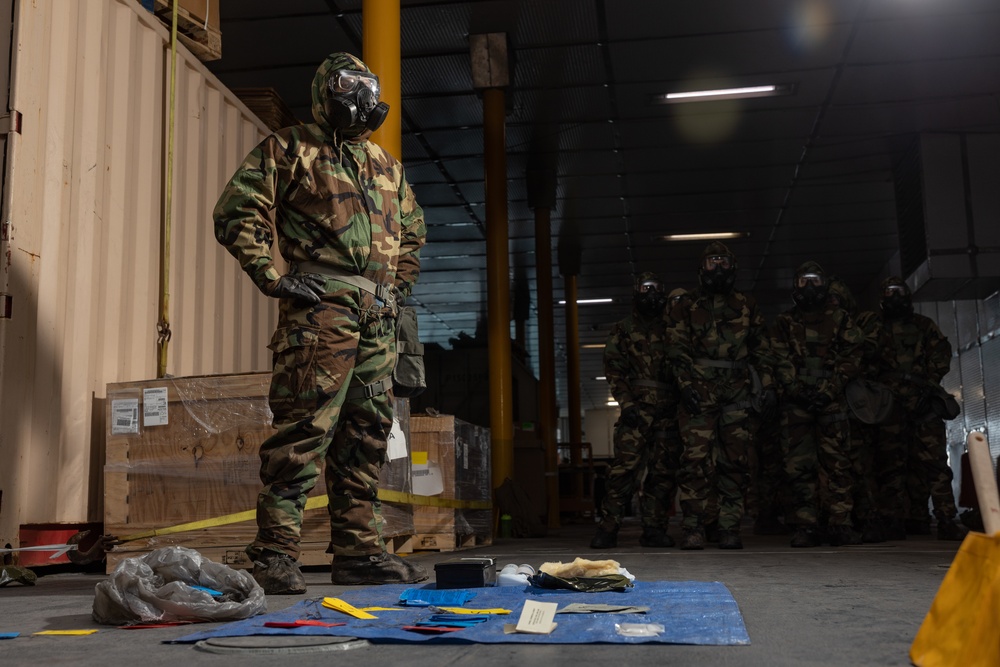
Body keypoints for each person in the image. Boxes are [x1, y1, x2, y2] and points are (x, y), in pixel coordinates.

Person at [214, 52, 428, 594]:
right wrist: (272, 276)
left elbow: (413, 235)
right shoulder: (290, 148)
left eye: (365, 89)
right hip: (321, 317)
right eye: (347, 88)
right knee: (303, 433)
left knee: (366, 437)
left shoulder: (387, 166)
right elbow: (237, 210)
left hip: (377, 322)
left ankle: (359, 553)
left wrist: (396, 291)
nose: (359, 100)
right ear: (324, 93)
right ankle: (274, 556)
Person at [665, 242, 778, 550]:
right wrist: (684, 384)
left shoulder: (746, 304)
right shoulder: (686, 305)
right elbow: (676, 349)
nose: (718, 268)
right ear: (702, 268)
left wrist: (767, 386)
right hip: (698, 395)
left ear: (734, 267)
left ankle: (729, 527)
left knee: (735, 463)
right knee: (695, 463)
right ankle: (693, 528)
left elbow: (762, 350)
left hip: (737, 394)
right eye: (712, 262)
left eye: (724, 262)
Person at [771, 263, 864, 547]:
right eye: (803, 282)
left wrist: (830, 389)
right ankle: (806, 525)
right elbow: (777, 357)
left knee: (837, 463)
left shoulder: (841, 320)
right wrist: (796, 390)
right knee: (799, 467)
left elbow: (853, 355)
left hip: (831, 401)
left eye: (815, 281)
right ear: (795, 286)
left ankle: (840, 524)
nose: (809, 288)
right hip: (796, 403)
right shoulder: (785, 322)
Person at [872, 277, 967, 541]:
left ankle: (946, 518)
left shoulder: (924, 326)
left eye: (899, 292)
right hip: (889, 406)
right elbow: (865, 362)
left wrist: (927, 386)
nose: (894, 297)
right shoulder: (875, 329)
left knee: (934, 464)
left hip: (923, 403)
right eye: (889, 293)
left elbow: (940, 358)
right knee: (891, 465)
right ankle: (893, 519)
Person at [591, 273, 678, 549]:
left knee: (662, 474)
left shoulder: (673, 330)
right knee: (623, 473)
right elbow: (614, 371)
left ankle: (654, 529)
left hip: (667, 412)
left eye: (657, 289)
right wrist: (626, 404)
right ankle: (608, 528)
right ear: (636, 293)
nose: (651, 294)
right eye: (646, 289)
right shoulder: (623, 329)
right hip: (636, 412)